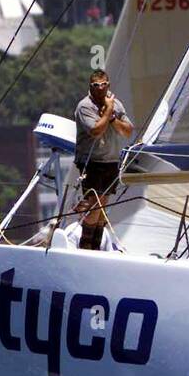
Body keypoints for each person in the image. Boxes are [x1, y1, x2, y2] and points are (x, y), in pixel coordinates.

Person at [74, 69, 133, 250]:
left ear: (108, 84)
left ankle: (96, 246)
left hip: (110, 161)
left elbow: (127, 131)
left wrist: (112, 115)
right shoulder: (85, 107)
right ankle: (85, 247)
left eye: (103, 84)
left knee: (102, 210)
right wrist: (108, 110)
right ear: (90, 87)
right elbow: (96, 131)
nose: (100, 88)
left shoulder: (115, 104)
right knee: (95, 207)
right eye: (96, 85)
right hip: (92, 162)